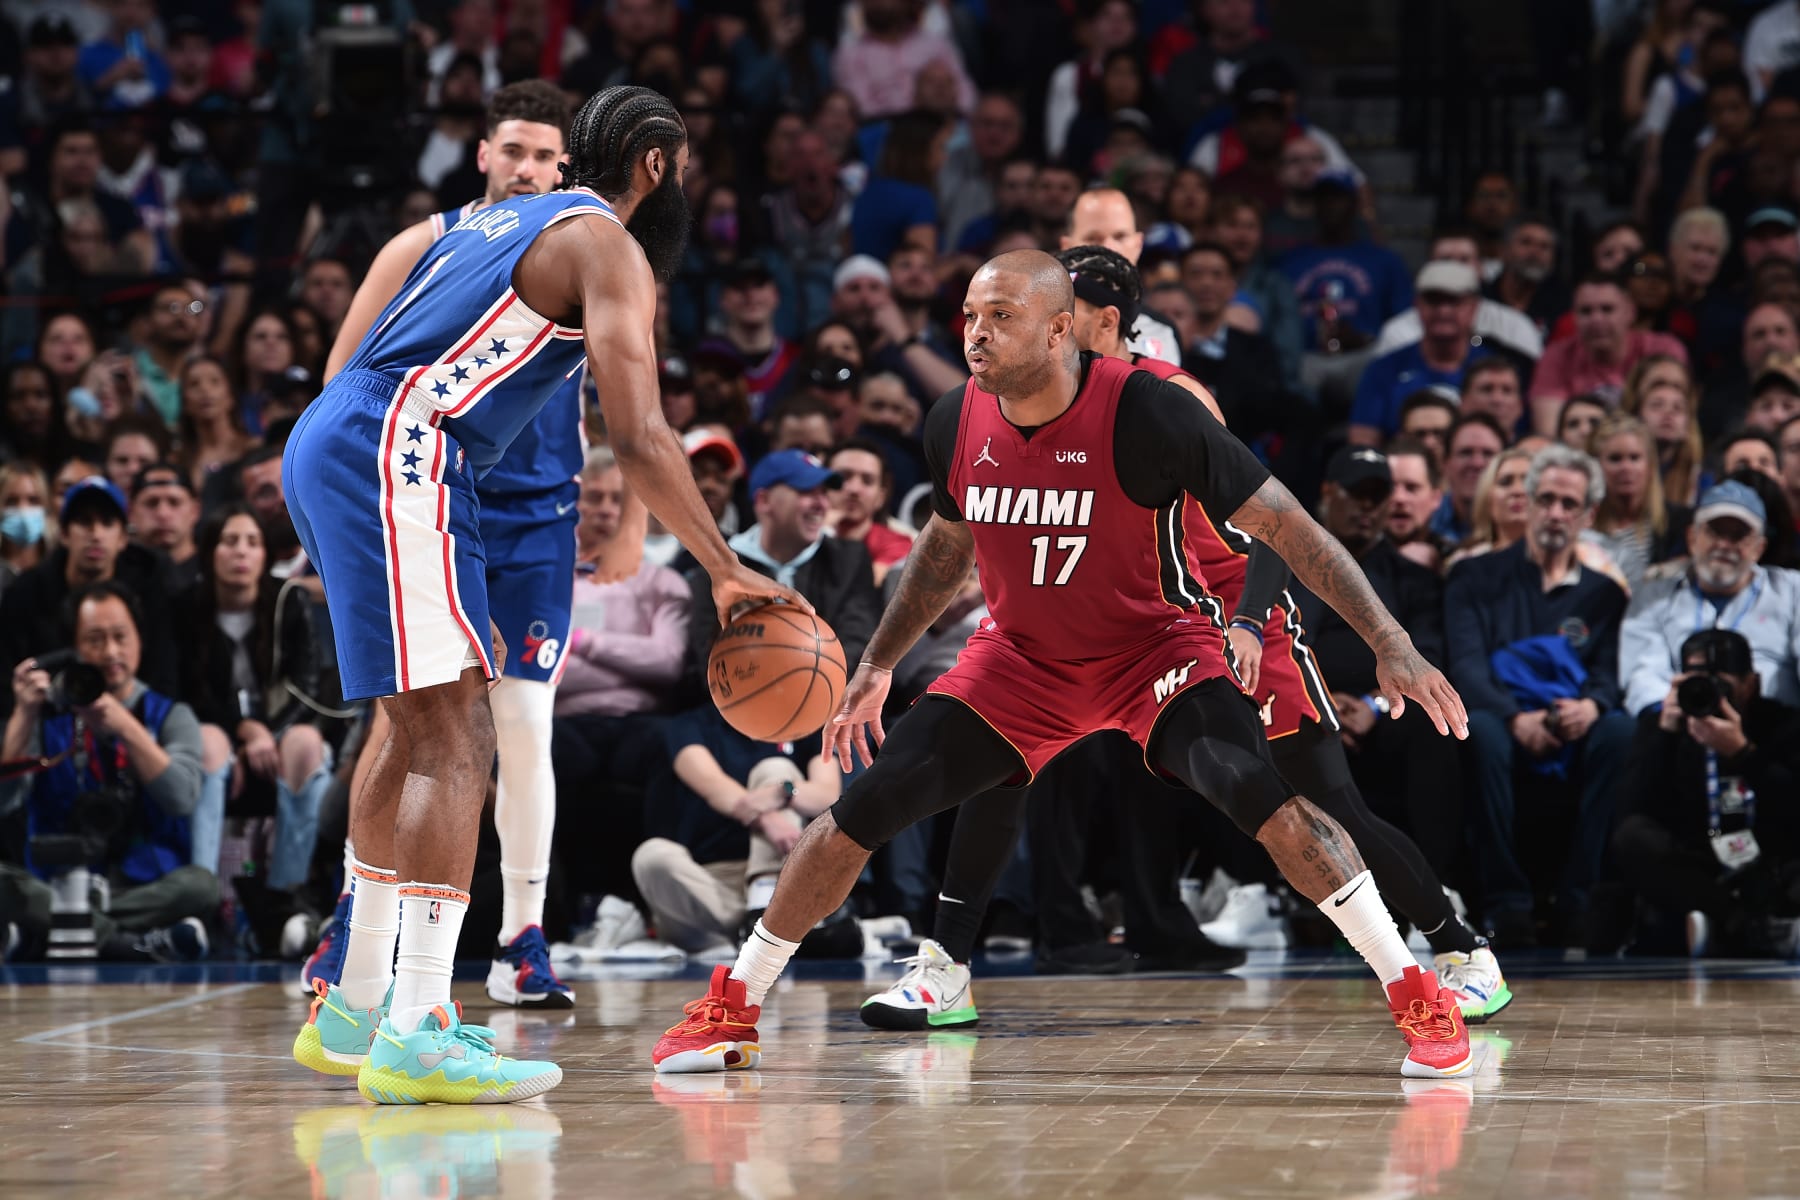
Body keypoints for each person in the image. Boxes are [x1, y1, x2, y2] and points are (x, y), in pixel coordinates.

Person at [650, 249, 1475, 1080]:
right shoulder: (955, 417)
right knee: (859, 811)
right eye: (970, 316)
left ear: (1060, 329)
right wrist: (876, 662)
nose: (977, 334)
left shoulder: (1152, 412)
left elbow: (1290, 528)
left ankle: (1414, 990)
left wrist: (1390, 642)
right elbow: (945, 544)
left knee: (1259, 793)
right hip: (1020, 661)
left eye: (1000, 317)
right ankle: (737, 1005)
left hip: (1155, 649)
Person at [281, 85, 802, 1105]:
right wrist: (726, 566)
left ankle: (351, 1005)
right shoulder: (606, 241)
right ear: (656, 164)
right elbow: (643, 432)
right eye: (680, 169)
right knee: (456, 738)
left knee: (412, 722)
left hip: (344, 440)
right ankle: (422, 1023)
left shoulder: (487, 217)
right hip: (401, 448)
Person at [858, 251, 1507, 1030]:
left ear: (1093, 321)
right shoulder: (1023, 402)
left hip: (1230, 610)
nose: (1002, 331)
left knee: (1323, 802)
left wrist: (1245, 623)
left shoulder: (1167, 395)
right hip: (1131, 622)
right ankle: (949, 964)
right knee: (1001, 769)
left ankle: (1459, 948)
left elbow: (1270, 522)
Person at [304, 81, 598, 1014]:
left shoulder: (581, 250)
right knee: (419, 721)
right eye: (515, 151)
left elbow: (604, 397)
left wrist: (623, 519)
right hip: (420, 481)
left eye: (549, 158)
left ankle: (521, 939)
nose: (530, 170)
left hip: (536, 516)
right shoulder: (426, 242)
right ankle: (369, 940)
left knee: (517, 725)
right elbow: (343, 381)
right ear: (482, 154)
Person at [1444, 445, 1636, 947]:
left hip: (1572, 725)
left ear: (1588, 515)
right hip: (1503, 723)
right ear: (1527, 504)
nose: (1555, 512)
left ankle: (1580, 901)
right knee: (1479, 729)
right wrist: (1514, 718)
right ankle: (1507, 905)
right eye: (1545, 498)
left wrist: (1592, 704)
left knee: (1618, 729)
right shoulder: (1474, 578)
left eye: (1568, 503)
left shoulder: (1605, 595)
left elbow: (1612, 673)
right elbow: (1465, 666)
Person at [0, 583, 214, 963]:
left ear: (139, 641)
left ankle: (52, 932)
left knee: (202, 886)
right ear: (75, 649)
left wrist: (126, 727)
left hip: (142, 884)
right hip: (57, 881)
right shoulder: (47, 714)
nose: (111, 652)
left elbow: (181, 798)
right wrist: (23, 714)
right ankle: (132, 943)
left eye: (120, 637)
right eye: (96, 640)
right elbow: (6, 802)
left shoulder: (171, 715)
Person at [1611, 629, 1800, 957]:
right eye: (1696, 682)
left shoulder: (1782, 723)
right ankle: (1746, 926)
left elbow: (1793, 807)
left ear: (1751, 683)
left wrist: (1744, 754)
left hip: (1768, 858)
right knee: (1634, 838)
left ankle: (1729, 929)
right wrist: (1665, 736)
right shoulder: (1662, 727)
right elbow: (1629, 811)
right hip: (1700, 865)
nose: (1710, 694)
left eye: (1722, 684)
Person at [178, 504, 326, 894]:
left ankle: (287, 893)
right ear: (210, 552)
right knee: (208, 743)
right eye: (229, 542)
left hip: (276, 734)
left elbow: (306, 689)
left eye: (252, 542)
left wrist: (264, 734)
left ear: (265, 555)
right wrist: (239, 730)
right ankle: (201, 891)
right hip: (215, 733)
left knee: (309, 746)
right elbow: (185, 691)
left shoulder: (288, 601)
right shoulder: (186, 607)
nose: (241, 552)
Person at [1619, 480, 1800, 717]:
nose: (1724, 545)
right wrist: (1670, 709)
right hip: (1679, 724)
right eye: (1715, 531)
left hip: (1772, 729)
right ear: (1692, 538)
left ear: (1759, 548)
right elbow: (1642, 674)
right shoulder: (1654, 596)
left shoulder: (1792, 590)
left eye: (1738, 536)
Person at [1349, 261, 1492, 445]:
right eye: (1434, 301)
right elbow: (1363, 441)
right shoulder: (1384, 370)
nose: (1443, 311)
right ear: (1417, 305)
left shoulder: (1491, 371)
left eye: (1454, 301)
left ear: (1473, 307)